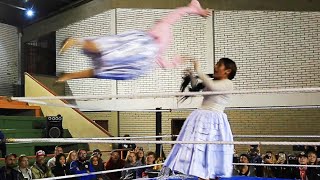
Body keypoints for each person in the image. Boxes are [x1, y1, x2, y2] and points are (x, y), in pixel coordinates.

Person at [56, 0, 210, 82]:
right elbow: (177, 14)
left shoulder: (158, 49)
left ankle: (69, 75)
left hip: (141, 62)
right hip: (140, 49)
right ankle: (75, 42)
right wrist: (195, 10)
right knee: (109, 52)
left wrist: (177, 61)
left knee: (105, 70)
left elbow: (162, 63)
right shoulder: (163, 27)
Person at [163, 58, 237, 179]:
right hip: (202, 117)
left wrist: (198, 69)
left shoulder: (228, 83)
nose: (215, 66)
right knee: (200, 151)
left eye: (219, 65)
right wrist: (192, 76)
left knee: (211, 151)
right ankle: (202, 175)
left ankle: (207, 176)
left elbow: (212, 86)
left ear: (227, 71)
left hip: (213, 119)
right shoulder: (213, 81)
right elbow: (197, 88)